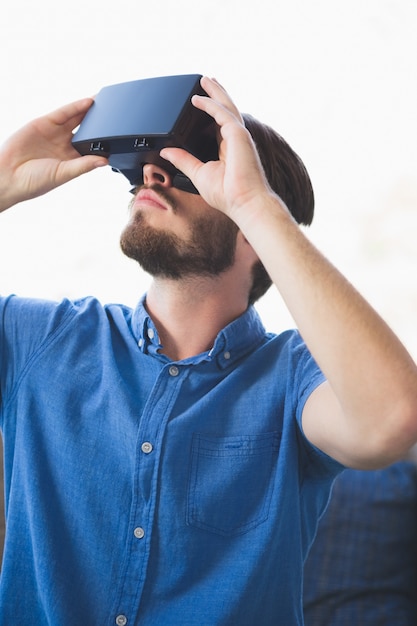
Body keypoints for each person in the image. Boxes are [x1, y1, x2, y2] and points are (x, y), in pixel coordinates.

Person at [0, 76, 416, 626]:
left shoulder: (295, 377)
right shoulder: (43, 337)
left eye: (197, 163)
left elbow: (391, 419)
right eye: (151, 161)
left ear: (254, 229)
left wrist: (253, 202)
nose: (153, 171)